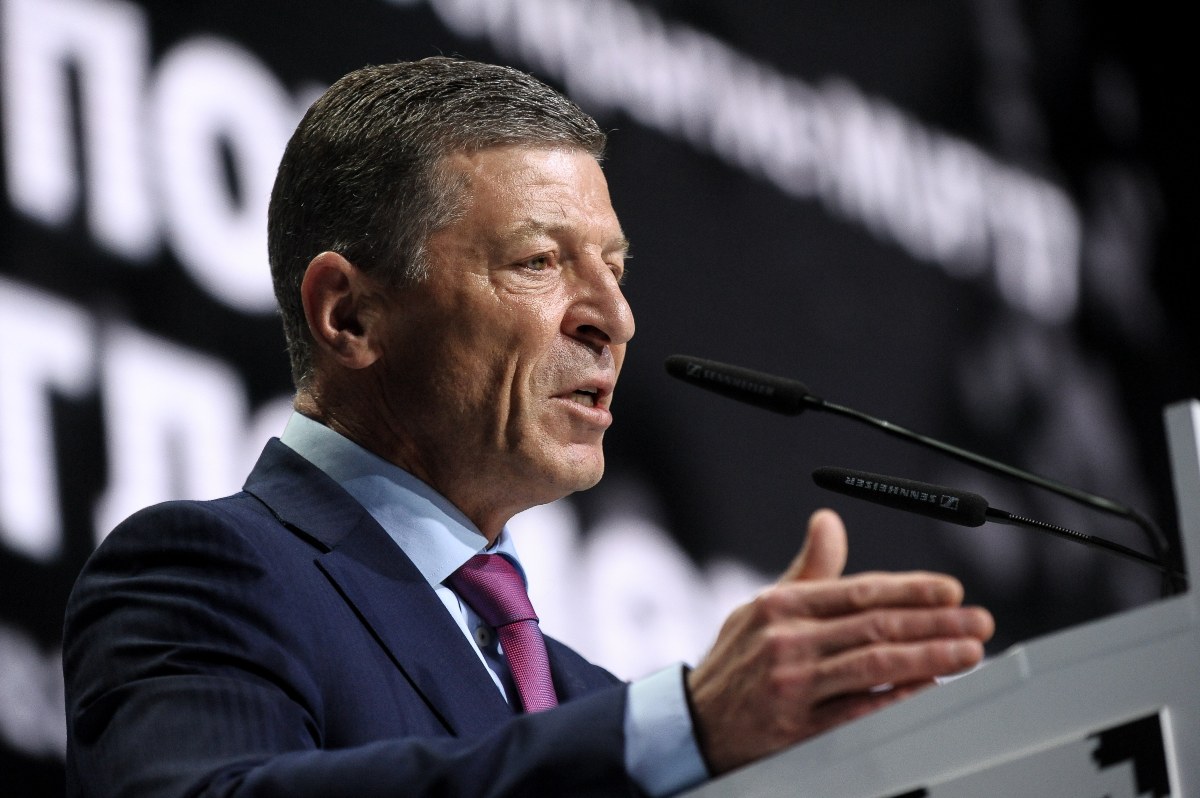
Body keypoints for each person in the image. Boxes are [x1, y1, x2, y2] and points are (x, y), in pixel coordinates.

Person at [63, 57, 994, 797]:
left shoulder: (584, 695)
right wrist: (677, 727)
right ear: (350, 315)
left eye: (615, 270)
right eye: (539, 261)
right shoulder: (202, 575)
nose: (614, 319)